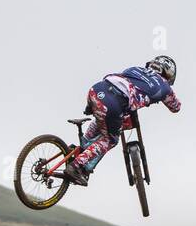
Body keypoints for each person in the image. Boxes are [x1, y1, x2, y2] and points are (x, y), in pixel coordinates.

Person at [62, 55, 180, 186]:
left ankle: (81, 149)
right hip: (114, 102)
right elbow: (176, 107)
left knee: (102, 119)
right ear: (169, 74)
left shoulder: (135, 69)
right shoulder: (165, 87)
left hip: (97, 89)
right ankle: (76, 165)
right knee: (110, 139)